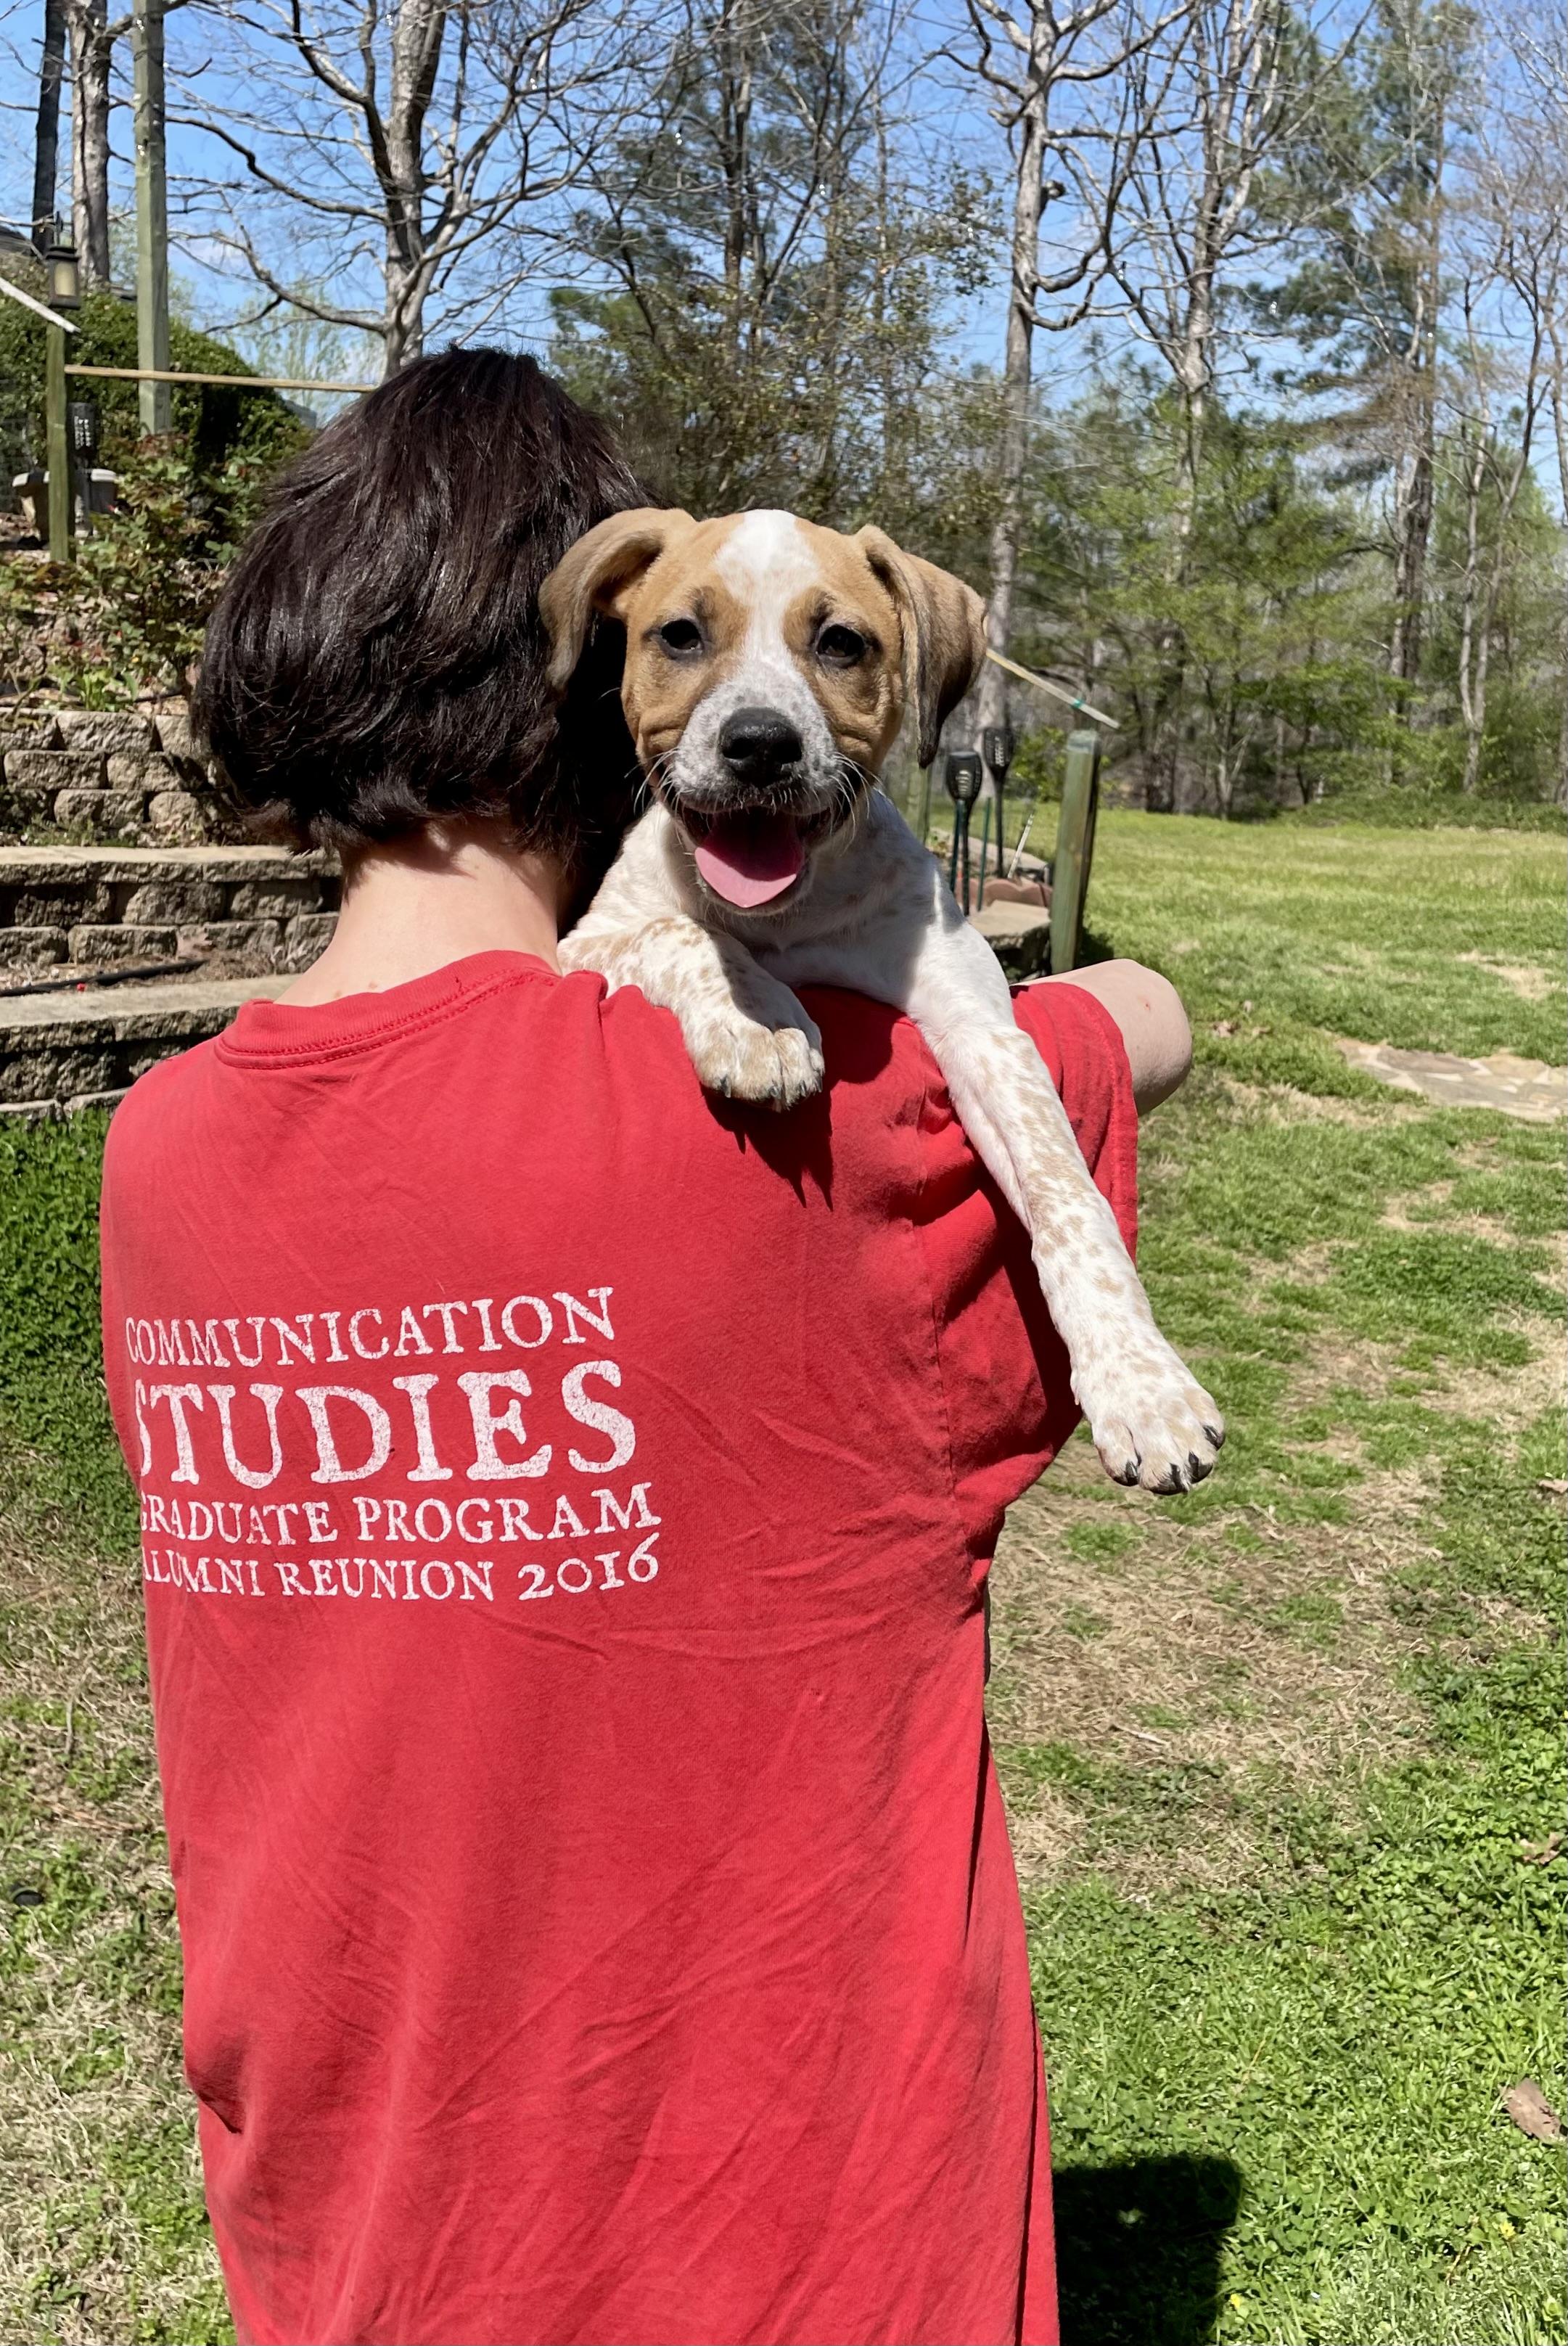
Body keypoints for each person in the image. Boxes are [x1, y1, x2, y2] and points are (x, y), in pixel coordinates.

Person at [99, 348, 1194, 2346]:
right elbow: (1116, 1020)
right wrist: (1127, 996)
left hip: (362, 2234)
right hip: (812, 2239)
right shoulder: (798, 1120)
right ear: (590, 685)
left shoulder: (153, 1155)